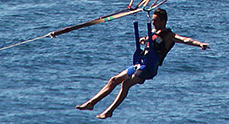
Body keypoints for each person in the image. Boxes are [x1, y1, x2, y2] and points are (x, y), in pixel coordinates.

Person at [75, 8, 208, 119]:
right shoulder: (154, 32)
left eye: (155, 21)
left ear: (163, 21)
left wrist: (199, 44)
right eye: (153, 21)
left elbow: (185, 40)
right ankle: (91, 103)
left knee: (126, 83)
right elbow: (150, 40)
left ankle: (109, 111)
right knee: (113, 80)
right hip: (140, 63)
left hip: (149, 68)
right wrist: (144, 40)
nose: (153, 23)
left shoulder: (169, 35)